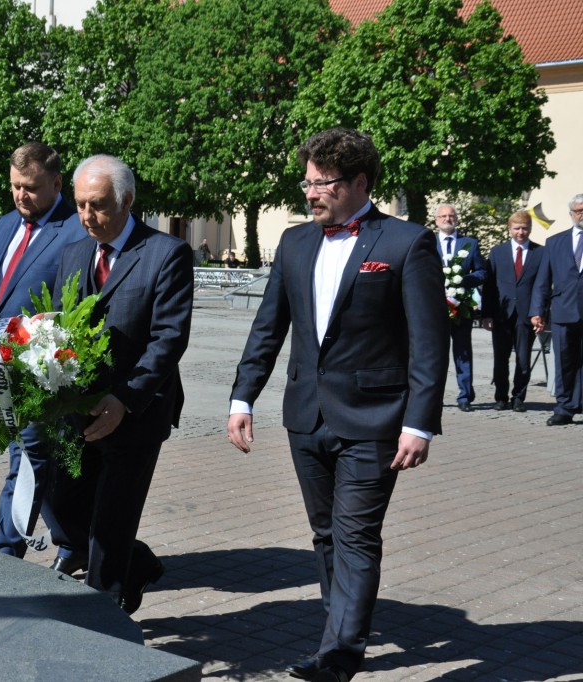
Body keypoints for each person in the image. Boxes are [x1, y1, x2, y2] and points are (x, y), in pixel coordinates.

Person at [227, 128, 448, 682]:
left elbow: (428, 342)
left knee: (354, 534)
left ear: (359, 183)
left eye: (322, 183)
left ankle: (338, 656)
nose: (310, 193)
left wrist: (419, 423)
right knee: (325, 534)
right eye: (307, 182)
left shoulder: (405, 243)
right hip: (307, 414)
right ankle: (338, 632)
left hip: (375, 420)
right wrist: (242, 396)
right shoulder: (296, 243)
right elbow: (267, 328)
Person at [47, 154, 194, 614]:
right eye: (80, 205)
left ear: (127, 200)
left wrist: (124, 400)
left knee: (111, 523)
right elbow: (57, 329)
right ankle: (138, 563)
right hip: (77, 412)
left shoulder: (166, 254)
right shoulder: (72, 254)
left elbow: (168, 340)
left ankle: (103, 623)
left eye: (99, 205)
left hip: (135, 414)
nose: (87, 216)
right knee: (62, 507)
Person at [0, 142, 87, 564]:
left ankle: (5, 554)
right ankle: (76, 543)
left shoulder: (75, 231)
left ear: (56, 183)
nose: (21, 196)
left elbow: (74, 306)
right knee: (38, 463)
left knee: (29, 459)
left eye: (31, 188)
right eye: (15, 186)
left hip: (41, 374)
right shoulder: (2, 225)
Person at [481, 211, 544, 412]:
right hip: (502, 313)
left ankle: (518, 397)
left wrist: (539, 313)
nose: (521, 232)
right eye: (516, 228)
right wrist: (486, 314)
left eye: (525, 228)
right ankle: (501, 397)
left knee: (523, 360)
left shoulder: (540, 253)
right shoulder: (497, 252)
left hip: (527, 315)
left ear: (530, 229)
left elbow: (542, 286)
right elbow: (489, 286)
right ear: (509, 229)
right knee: (501, 359)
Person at [530, 193, 583, 426]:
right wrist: (537, 311)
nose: (582, 215)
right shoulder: (555, 242)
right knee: (564, 361)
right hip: (563, 310)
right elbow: (543, 280)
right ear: (571, 214)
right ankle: (564, 407)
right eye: (579, 211)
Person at [434, 204, 488, 412]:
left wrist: (462, 280)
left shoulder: (470, 244)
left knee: (463, 351)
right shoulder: (428, 243)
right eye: (443, 216)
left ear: (457, 218)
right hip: (435, 307)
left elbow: (482, 273)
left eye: (451, 215)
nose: (448, 219)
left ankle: (465, 396)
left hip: (461, 307)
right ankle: (435, 396)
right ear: (436, 220)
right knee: (437, 354)